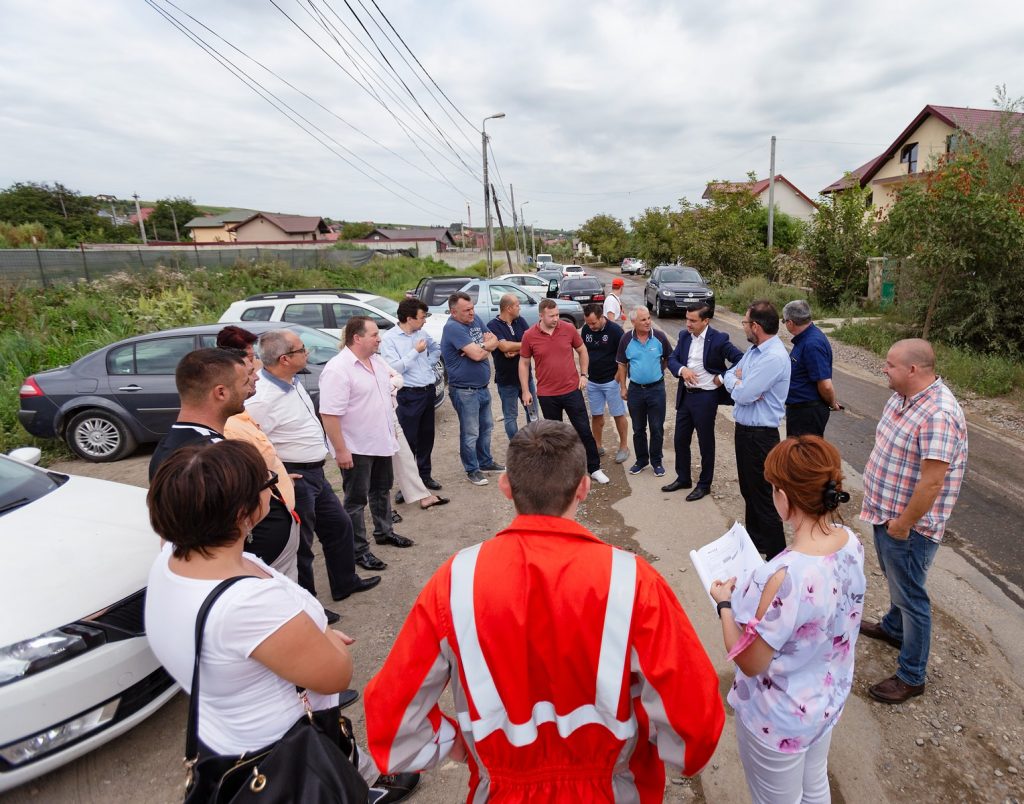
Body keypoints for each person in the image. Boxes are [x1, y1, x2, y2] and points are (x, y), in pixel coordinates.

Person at [363, 420, 724, 801]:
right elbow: (695, 724)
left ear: (506, 486)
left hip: (500, 791)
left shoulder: (454, 582)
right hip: (611, 790)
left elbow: (392, 722)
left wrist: (460, 746)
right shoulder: (633, 582)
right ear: (583, 487)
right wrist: (661, 750)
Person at [144, 441, 419, 803]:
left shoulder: (172, 555)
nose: (274, 488)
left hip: (225, 726)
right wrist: (321, 635)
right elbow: (337, 675)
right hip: (284, 754)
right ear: (243, 513)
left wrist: (298, 637)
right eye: (269, 482)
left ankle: (365, 780)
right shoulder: (247, 604)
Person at [710, 435, 865, 804]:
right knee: (815, 784)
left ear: (783, 495)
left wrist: (724, 604)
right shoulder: (850, 541)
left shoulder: (782, 576)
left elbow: (750, 661)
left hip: (779, 719)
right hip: (826, 699)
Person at [859, 338, 968, 704]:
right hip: (886, 513)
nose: (883, 369)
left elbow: (932, 482)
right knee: (898, 582)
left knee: (911, 596)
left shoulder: (939, 414)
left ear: (913, 369)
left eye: (890, 364)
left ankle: (912, 675)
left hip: (909, 527)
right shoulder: (901, 398)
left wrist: (904, 523)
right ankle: (893, 628)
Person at [246, 329, 382, 604]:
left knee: (338, 525)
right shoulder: (262, 399)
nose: (307, 352)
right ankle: (307, 603)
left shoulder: (292, 381)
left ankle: (345, 583)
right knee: (302, 544)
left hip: (316, 472)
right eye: (301, 349)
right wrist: (277, 475)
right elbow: (251, 445)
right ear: (284, 359)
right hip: (295, 476)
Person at [320, 317, 415, 568]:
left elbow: (384, 398)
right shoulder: (337, 369)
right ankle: (358, 550)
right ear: (357, 338)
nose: (379, 339)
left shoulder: (376, 361)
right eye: (374, 335)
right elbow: (329, 415)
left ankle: (384, 531)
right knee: (356, 500)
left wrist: (390, 432)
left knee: (382, 489)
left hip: (381, 440)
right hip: (357, 447)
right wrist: (341, 450)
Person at [217, 325, 300, 581]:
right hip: (268, 542)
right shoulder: (231, 427)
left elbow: (265, 456)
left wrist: (280, 475)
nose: (257, 376)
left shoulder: (241, 415)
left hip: (283, 517)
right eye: (250, 369)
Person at [718, 300, 791, 558]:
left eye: (745, 323)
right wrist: (738, 382)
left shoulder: (773, 357)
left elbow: (745, 394)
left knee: (764, 499)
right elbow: (732, 374)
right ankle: (755, 546)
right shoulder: (754, 351)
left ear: (756, 326)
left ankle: (777, 557)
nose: (744, 327)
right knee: (749, 492)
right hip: (746, 432)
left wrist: (741, 385)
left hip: (761, 436)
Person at [519, 299, 610, 484]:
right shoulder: (529, 335)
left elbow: (582, 350)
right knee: (555, 436)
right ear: (541, 315)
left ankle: (594, 468)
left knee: (584, 431)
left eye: (557, 315)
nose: (555, 319)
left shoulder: (568, 329)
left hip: (571, 390)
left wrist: (584, 374)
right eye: (551, 316)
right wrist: (525, 390)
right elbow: (524, 363)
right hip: (547, 394)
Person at [664, 302, 743, 501]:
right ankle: (683, 478)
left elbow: (741, 359)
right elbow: (672, 359)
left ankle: (704, 485)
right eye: (687, 319)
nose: (688, 324)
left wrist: (723, 378)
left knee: (705, 442)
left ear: (706, 321)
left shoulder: (719, 339)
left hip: (706, 397)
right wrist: (682, 370)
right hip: (686, 395)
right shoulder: (684, 336)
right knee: (680, 439)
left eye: (693, 320)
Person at [148, 348, 247, 480]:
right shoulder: (219, 456)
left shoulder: (164, 449)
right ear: (221, 393)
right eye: (245, 383)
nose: (249, 389)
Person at [441, 292, 504, 486]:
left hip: (482, 387)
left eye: (472, 308)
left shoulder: (474, 320)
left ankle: (485, 462)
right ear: (454, 312)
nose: (472, 312)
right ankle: (472, 469)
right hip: (464, 391)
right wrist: (485, 348)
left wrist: (482, 346)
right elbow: (477, 355)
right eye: (466, 310)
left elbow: (496, 341)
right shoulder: (453, 328)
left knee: (486, 428)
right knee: (471, 432)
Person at [380, 298, 443, 490]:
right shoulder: (390, 339)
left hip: (427, 391)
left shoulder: (422, 333)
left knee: (426, 437)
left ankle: (425, 476)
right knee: (408, 440)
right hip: (408, 395)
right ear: (409, 318)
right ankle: (407, 485)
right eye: (422, 317)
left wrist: (428, 364)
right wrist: (415, 352)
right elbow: (394, 368)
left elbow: (436, 349)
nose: (425, 320)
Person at [615, 306, 672, 478]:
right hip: (635, 391)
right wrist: (623, 387)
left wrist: (657, 372)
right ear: (633, 322)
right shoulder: (626, 339)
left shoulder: (660, 337)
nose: (648, 322)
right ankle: (641, 461)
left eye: (648, 318)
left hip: (656, 390)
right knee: (638, 428)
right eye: (643, 320)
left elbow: (668, 358)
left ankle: (657, 461)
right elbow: (622, 364)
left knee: (656, 427)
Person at [782, 300, 840, 438]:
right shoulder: (805, 338)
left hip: (807, 414)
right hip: (801, 411)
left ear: (790, 322)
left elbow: (825, 385)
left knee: (804, 451)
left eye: (784, 321)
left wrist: (832, 403)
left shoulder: (812, 344)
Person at [581, 303, 630, 464]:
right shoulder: (586, 330)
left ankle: (624, 447)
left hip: (612, 381)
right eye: (588, 323)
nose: (591, 326)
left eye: (593, 323)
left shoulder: (615, 331)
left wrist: (617, 379)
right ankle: (597, 446)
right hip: (593, 381)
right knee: (596, 415)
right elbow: (583, 352)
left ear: (601, 317)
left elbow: (624, 358)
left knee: (618, 414)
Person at [486, 293, 538, 440]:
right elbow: (503, 346)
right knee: (510, 417)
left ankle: (533, 444)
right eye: (517, 305)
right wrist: (522, 346)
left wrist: (515, 350)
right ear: (508, 308)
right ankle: (517, 446)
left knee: (533, 413)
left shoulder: (520, 321)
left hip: (526, 379)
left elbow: (531, 342)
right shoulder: (493, 325)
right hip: (506, 381)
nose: (519, 308)